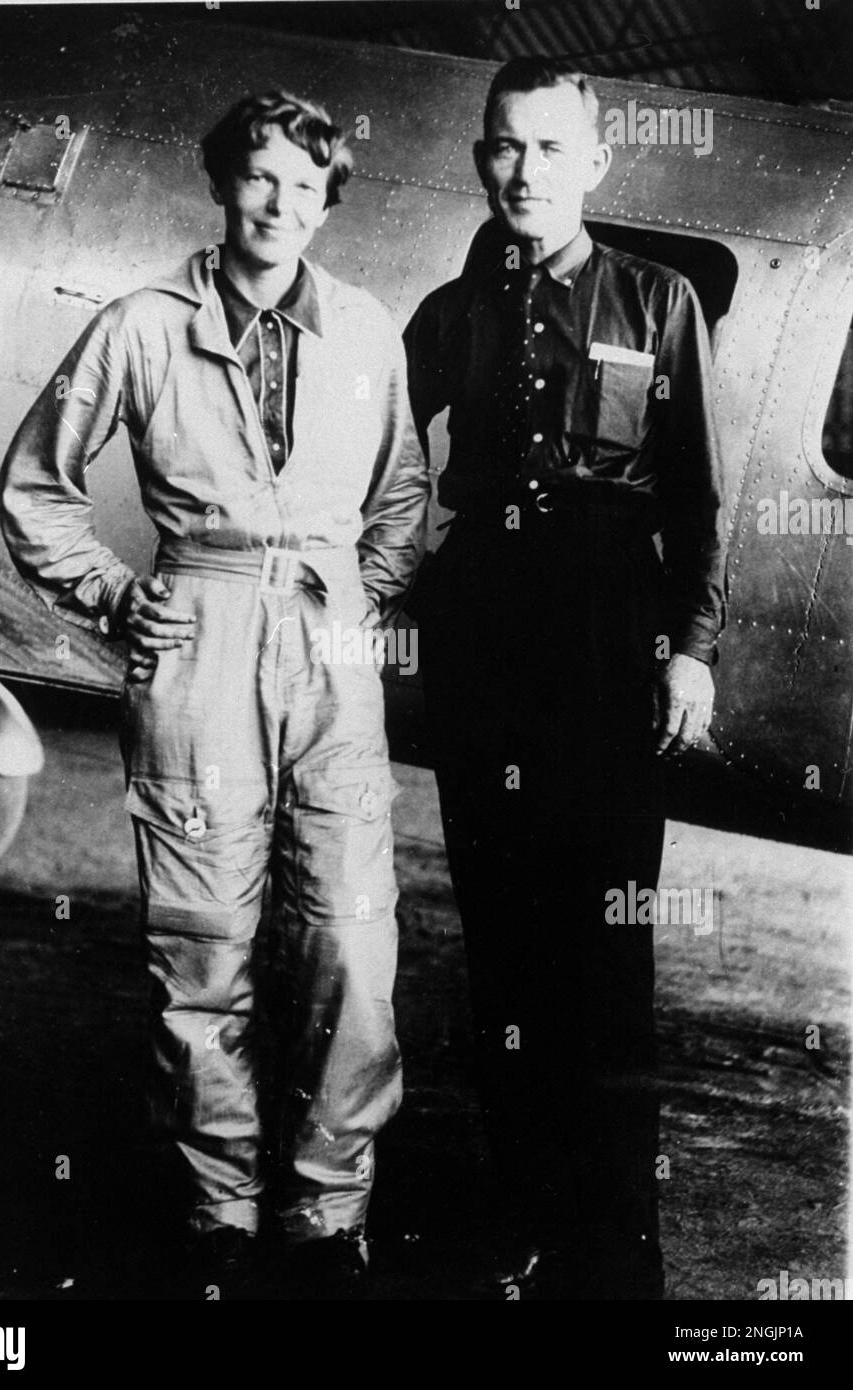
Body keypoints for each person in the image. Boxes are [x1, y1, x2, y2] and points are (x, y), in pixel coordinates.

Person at [0, 90, 429, 1299]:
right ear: (221, 184)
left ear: (328, 195)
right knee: (203, 944)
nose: (279, 204)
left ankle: (329, 1207)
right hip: (195, 639)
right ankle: (218, 1211)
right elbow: (36, 487)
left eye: (304, 183)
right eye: (257, 178)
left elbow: (401, 504)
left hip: (329, 653)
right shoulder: (141, 326)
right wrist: (115, 591)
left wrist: (350, 601)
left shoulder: (365, 331)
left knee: (351, 938)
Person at [404, 58, 726, 1300]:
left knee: (606, 928)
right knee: (500, 929)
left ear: (596, 161)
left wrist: (689, 648)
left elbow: (694, 492)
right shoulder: (447, 314)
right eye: (502, 148)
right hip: (484, 618)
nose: (523, 172)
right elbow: (383, 461)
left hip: (607, 624)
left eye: (548, 149)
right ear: (480, 158)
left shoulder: (659, 303)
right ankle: (521, 1212)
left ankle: (616, 1237)